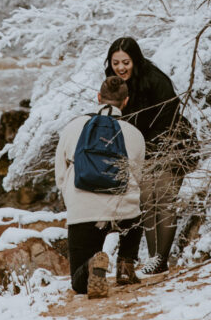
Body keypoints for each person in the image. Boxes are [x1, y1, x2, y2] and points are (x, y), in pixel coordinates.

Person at [105, 36, 197, 275]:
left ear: (135, 60)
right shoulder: (115, 83)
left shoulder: (155, 80)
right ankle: (155, 259)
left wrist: (152, 149)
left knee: (163, 199)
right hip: (142, 149)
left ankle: (160, 259)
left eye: (126, 62)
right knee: (146, 200)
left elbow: (170, 116)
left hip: (171, 144)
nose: (121, 67)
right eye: (116, 63)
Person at [55, 75, 145, 298]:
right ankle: (125, 265)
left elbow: (60, 174)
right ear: (126, 101)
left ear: (98, 98)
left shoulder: (73, 127)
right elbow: (137, 177)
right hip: (123, 211)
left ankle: (90, 266)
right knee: (137, 213)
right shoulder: (134, 134)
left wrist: (74, 202)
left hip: (83, 211)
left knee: (78, 283)